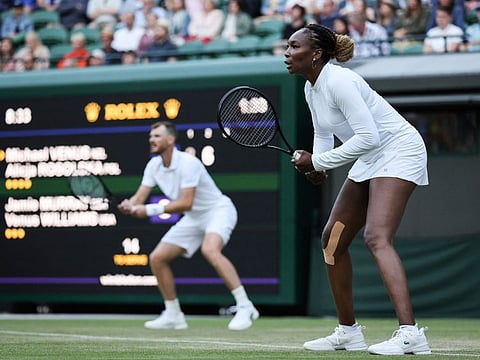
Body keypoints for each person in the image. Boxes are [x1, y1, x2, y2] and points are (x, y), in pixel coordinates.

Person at [286, 23, 431, 355]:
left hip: (398, 150)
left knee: (376, 237)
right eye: (288, 47)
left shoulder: (340, 81)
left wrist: (320, 161)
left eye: (294, 47)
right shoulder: (311, 88)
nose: (287, 53)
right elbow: (323, 134)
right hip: (369, 158)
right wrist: (318, 164)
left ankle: (411, 334)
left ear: (317, 54)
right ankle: (348, 332)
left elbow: (370, 137)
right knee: (331, 241)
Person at [117, 121, 259, 331]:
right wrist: (130, 205)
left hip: (218, 210)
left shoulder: (188, 163)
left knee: (210, 250)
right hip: (193, 218)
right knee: (157, 258)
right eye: (151, 136)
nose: (151, 139)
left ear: (170, 139)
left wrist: (148, 210)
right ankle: (173, 314)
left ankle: (245, 306)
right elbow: (139, 197)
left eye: (157, 136)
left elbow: (185, 202)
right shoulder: (153, 166)